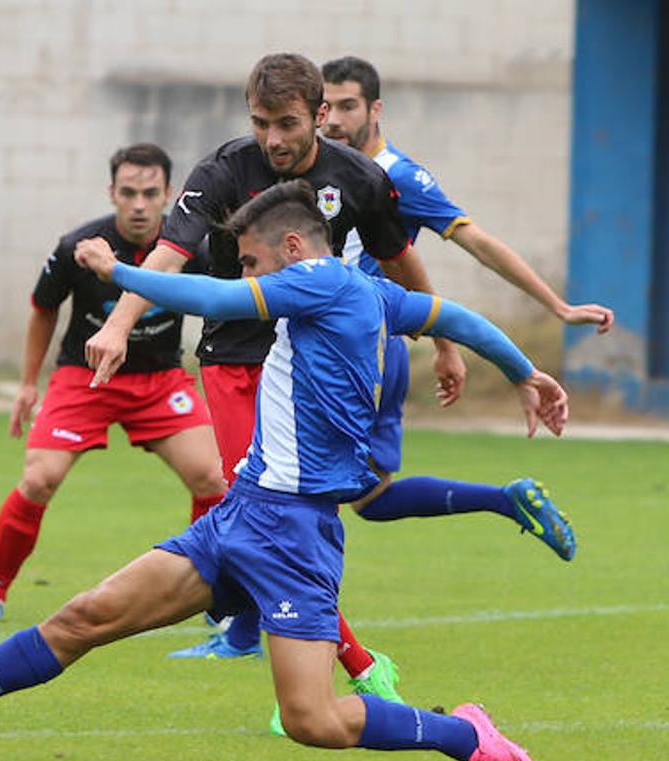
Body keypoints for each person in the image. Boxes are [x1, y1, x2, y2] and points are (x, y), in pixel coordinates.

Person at [0, 180, 561, 761]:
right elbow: (457, 317)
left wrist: (112, 271)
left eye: (251, 261)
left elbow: (212, 304)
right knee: (85, 617)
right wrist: (524, 371)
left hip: (294, 535)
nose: (249, 277)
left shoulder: (314, 280)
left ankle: (462, 736)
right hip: (243, 515)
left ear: (291, 249)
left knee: (313, 720)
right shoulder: (369, 293)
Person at [87, 54, 442, 676]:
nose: (272, 139)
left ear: (319, 115)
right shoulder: (224, 169)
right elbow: (170, 254)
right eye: (260, 123)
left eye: (285, 123)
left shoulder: (357, 178)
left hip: (312, 366)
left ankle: (293, 642)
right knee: (258, 505)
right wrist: (119, 323)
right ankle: (321, 652)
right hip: (233, 356)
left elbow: (399, 262)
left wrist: (444, 344)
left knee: (283, 513)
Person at [317, 54, 604, 543]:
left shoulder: (397, 177)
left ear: (375, 109)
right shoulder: (319, 166)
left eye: (348, 106)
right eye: (327, 107)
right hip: (354, 341)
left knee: (289, 485)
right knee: (369, 498)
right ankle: (504, 499)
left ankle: (256, 618)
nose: (336, 120)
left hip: (363, 348)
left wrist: (556, 306)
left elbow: (478, 242)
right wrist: (444, 344)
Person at [0, 143, 225, 624]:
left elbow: (223, 303)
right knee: (40, 478)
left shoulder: (194, 251)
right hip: (85, 378)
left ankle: (206, 596)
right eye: (128, 193)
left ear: (169, 194)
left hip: (160, 379)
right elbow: (43, 308)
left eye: (149, 193)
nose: (139, 204)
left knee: (213, 478)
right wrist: (26, 383)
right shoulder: (78, 247)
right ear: (112, 193)